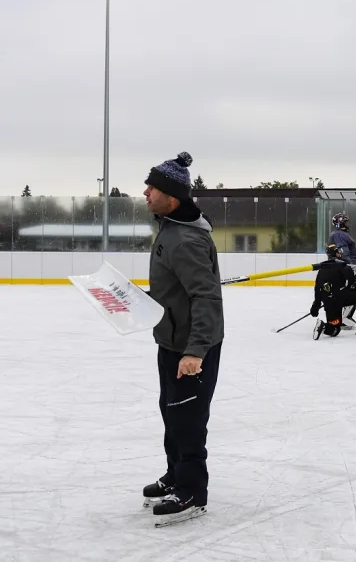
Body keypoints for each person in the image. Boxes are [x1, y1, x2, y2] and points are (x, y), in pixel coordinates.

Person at [141, 152, 224, 524]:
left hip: (191, 347)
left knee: (188, 419)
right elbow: (177, 289)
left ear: (171, 196)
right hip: (172, 340)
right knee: (171, 413)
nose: (145, 193)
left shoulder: (185, 239)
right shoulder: (170, 228)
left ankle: (191, 491)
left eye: (152, 188)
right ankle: (176, 475)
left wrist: (195, 352)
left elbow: (206, 298)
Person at [310, 244, 356, 337]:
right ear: (336, 253)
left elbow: (318, 289)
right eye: (338, 252)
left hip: (328, 301)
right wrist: (355, 282)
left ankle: (323, 326)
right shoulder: (343, 265)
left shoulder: (321, 269)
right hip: (340, 298)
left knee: (334, 329)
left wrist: (316, 305)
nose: (340, 253)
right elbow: (352, 285)